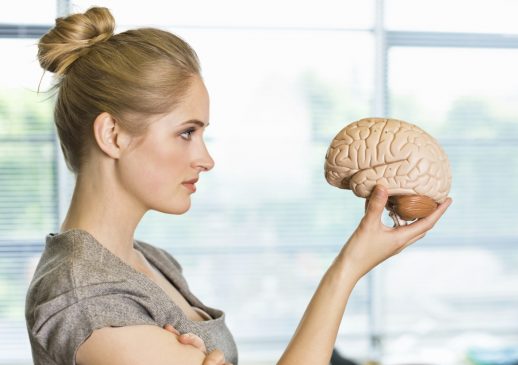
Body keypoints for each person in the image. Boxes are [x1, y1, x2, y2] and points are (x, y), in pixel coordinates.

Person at [24, 6, 452, 365]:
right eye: (186, 132)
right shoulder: (88, 299)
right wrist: (349, 268)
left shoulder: (150, 261)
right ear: (112, 135)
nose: (206, 159)